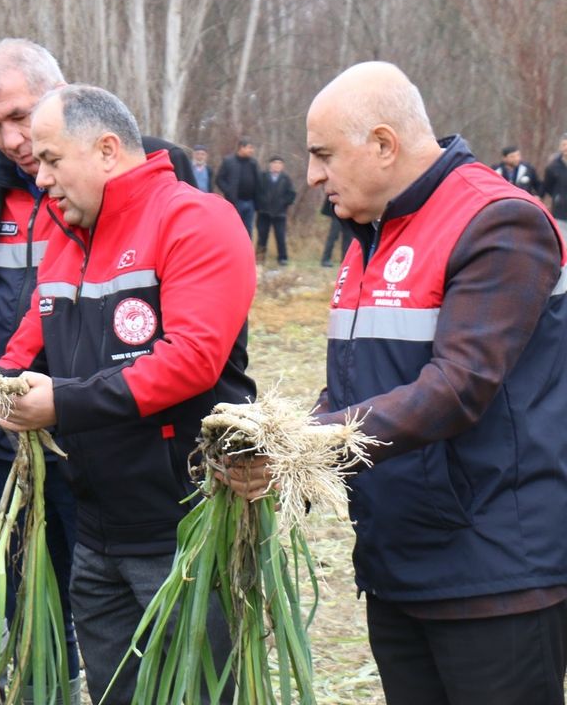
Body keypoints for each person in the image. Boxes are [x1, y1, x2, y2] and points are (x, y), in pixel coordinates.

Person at [0, 84, 255, 705]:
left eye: (53, 160)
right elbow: (17, 359)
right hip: (96, 531)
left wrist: (62, 403)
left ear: (107, 150)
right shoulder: (64, 238)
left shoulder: (195, 218)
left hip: (183, 533)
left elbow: (191, 361)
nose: (42, 178)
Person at [227, 61, 567, 705]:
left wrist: (305, 444)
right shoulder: (368, 236)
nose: (312, 176)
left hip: (491, 573)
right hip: (398, 563)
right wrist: (282, 461)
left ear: (383, 144)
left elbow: (458, 387)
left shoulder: (497, 221)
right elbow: (354, 391)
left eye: (323, 154)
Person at [0, 40, 206, 699]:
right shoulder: (10, 202)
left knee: (185, 668)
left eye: (23, 119)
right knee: (92, 647)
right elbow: (21, 326)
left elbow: (192, 352)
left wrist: (63, 402)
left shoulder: (175, 198)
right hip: (58, 459)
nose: (17, 146)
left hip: (153, 482)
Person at [254, 155, 296, 265]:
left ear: (282, 166)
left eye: (279, 163)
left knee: (280, 237)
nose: (277, 165)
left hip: (279, 214)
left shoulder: (286, 179)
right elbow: (256, 192)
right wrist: (260, 205)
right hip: (264, 213)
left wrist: (283, 203)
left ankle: (282, 258)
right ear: (270, 165)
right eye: (275, 163)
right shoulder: (262, 176)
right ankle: (260, 258)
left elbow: (291, 194)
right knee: (262, 236)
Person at [216, 138, 260, 234]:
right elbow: (219, 179)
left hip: (250, 203)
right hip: (235, 202)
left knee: (248, 230)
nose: (252, 150)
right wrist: (228, 191)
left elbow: (258, 182)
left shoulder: (253, 163)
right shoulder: (229, 161)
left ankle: (246, 249)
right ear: (241, 148)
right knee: (233, 229)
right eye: (250, 148)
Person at [318, 198, 353, 267]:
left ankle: (345, 261)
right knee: (333, 236)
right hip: (337, 211)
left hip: (349, 212)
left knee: (348, 237)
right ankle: (325, 259)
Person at [540, 133, 567, 221]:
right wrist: (558, 196)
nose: (566, 148)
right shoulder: (552, 166)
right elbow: (548, 186)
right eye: (564, 145)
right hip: (560, 213)